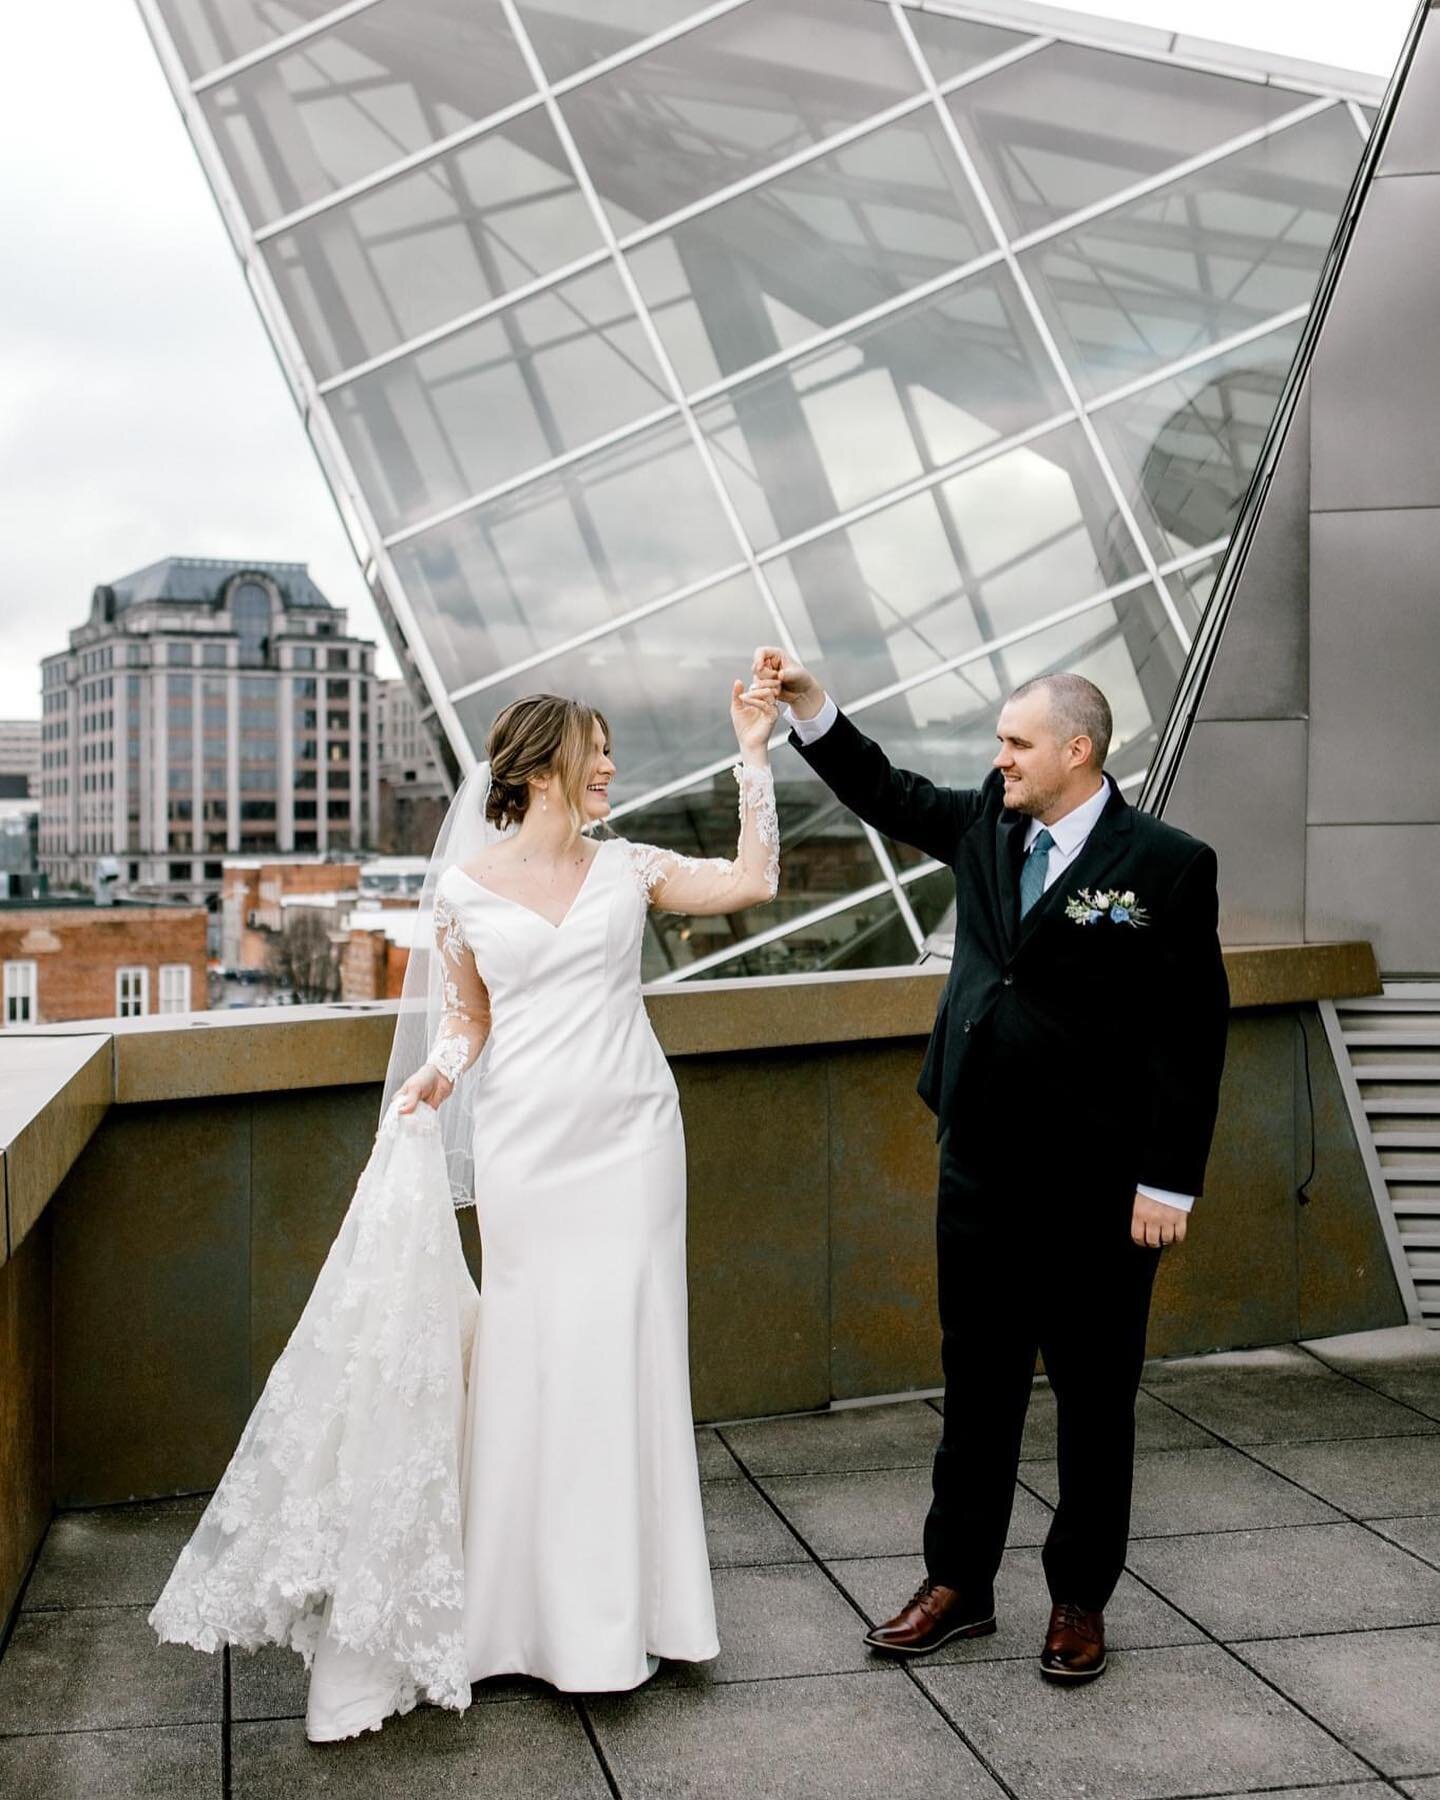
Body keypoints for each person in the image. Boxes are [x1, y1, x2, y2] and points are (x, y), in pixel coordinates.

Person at [150, 672, 782, 1741]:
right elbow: (466, 1020)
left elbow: (754, 882)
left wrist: (754, 754)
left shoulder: (634, 869)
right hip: (527, 1147)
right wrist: (435, 1078)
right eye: (598, 749)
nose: (611, 769)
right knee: (534, 1358)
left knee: (626, 1353)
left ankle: (635, 1614)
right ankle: (513, 1617)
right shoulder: (464, 892)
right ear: (542, 767)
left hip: (633, 1139)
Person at [754, 646, 1228, 1685]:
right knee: (977, 1390)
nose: (998, 757)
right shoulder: (985, 823)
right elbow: (885, 790)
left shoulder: (1169, 864)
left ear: (1078, 750)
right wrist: (811, 707)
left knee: (1095, 1401)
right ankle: (958, 1586)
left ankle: (1078, 1601)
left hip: (1104, 1187)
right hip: (980, 1165)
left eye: (1016, 742)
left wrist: (1168, 1180)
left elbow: (1192, 1033)